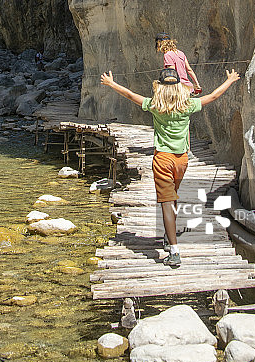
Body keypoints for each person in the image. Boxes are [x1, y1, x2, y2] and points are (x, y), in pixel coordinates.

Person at [100, 65, 240, 268]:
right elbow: (212, 97)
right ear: (178, 87)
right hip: (182, 159)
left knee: (166, 201)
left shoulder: (155, 105)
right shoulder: (187, 106)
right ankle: (169, 235)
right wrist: (229, 80)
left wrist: (111, 84)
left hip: (162, 158)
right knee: (172, 197)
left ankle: (174, 250)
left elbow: (131, 95)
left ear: (160, 87)